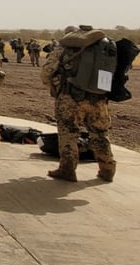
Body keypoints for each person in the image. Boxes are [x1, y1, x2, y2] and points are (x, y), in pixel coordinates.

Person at [41, 25, 116, 183]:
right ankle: (107, 169)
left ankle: (67, 170)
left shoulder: (63, 48)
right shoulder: (102, 48)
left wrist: (55, 87)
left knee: (68, 132)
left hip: (71, 98)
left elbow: (46, 73)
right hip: (99, 98)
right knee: (100, 134)